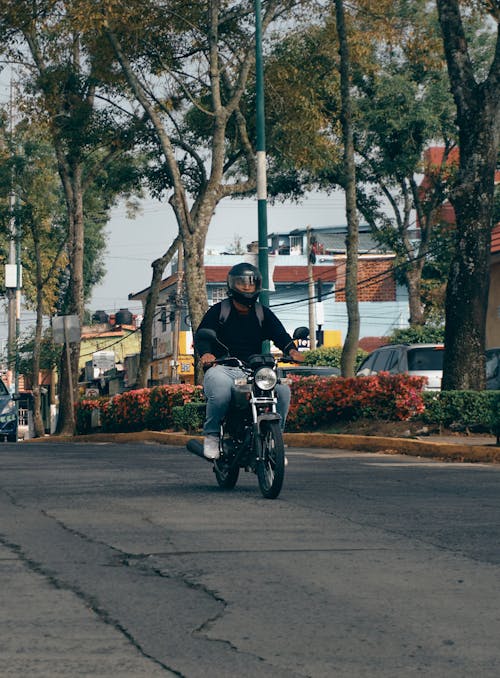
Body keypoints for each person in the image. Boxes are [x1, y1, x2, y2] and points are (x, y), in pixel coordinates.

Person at [194, 262, 305, 460]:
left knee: (283, 391)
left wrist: (292, 351)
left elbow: (280, 335)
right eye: (241, 282)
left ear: (257, 286)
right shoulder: (219, 311)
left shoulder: (262, 313)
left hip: (255, 370)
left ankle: (274, 440)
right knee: (219, 392)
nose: (247, 286)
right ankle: (211, 436)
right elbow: (202, 336)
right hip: (223, 367)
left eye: (251, 283)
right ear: (232, 285)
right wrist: (206, 354)